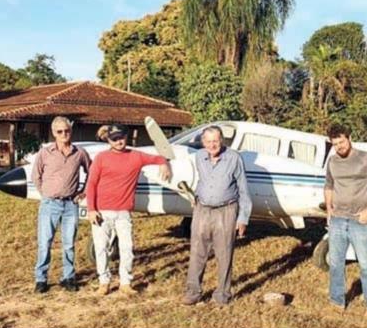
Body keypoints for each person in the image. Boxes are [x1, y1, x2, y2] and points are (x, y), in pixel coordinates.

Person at [85, 124, 171, 295]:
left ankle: (126, 282)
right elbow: (91, 184)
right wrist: (91, 209)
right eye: (114, 139)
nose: (119, 141)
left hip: (124, 212)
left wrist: (164, 163)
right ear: (108, 140)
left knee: (127, 248)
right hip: (102, 211)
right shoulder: (101, 158)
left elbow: (158, 158)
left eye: (121, 137)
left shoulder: (136, 156)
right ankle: (104, 282)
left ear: (126, 136)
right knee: (101, 248)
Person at [182, 126, 251, 305]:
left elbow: (243, 189)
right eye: (208, 141)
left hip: (226, 211)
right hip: (202, 210)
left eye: (216, 141)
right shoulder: (199, 157)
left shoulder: (234, 158)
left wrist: (243, 218)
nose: (212, 145)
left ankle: (222, 295)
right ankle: (193, 292)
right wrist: (196, 196)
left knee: (224, 253)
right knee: (197, 251)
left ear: (222, 141)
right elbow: (201, 180)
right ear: (203, 143)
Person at [324, 123, 367, 318]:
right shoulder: (333, 162)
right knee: (335, 264)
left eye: (341, 142)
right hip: (337, 220)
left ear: (349, 138)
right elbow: (328, 186)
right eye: (335, 144)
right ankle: (337, 301)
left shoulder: (365, 159)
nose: (339, 147)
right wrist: (329, 209)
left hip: (359, 221)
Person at [32, 116, 91, 293]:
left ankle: (68, 277)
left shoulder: (80, 153)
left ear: (70, 131)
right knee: (45, 242)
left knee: (69, 243)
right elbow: (36, 175)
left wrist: (83, 192)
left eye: (67, 131)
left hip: (70, 205)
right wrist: (46, 193)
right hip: (49, 203)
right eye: (60, 131)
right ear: (53, 133)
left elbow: (92, 172)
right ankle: (41, 279)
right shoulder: (45, 153)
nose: (64, 134)